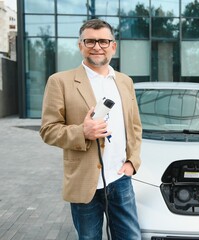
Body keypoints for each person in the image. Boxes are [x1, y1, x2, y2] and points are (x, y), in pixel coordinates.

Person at [39, 19, 142, 240]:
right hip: (84, 181)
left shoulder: (125, 81)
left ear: (113, 46)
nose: (97, 46)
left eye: (104, 41)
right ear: (80, 45)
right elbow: (48, 130)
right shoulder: (60, 81)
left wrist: (133, 161)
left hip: (120, 178)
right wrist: (82, 132)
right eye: (90, 41)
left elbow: (134, 126)